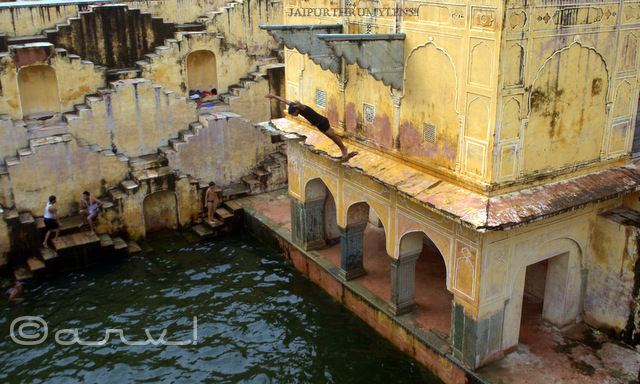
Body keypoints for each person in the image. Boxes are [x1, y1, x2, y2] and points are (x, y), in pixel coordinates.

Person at [265, 93, 358, 162]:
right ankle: (344, 150)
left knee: (333, 136)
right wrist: (274, 96)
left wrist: (300, 105)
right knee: (331, 137)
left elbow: (303, 107)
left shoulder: (302, 108)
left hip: (322, 122)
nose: (294, 115)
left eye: (294, 114)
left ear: (297, 109)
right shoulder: (293, 105)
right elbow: (284, 100)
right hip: (318, 124)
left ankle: (344, 149)